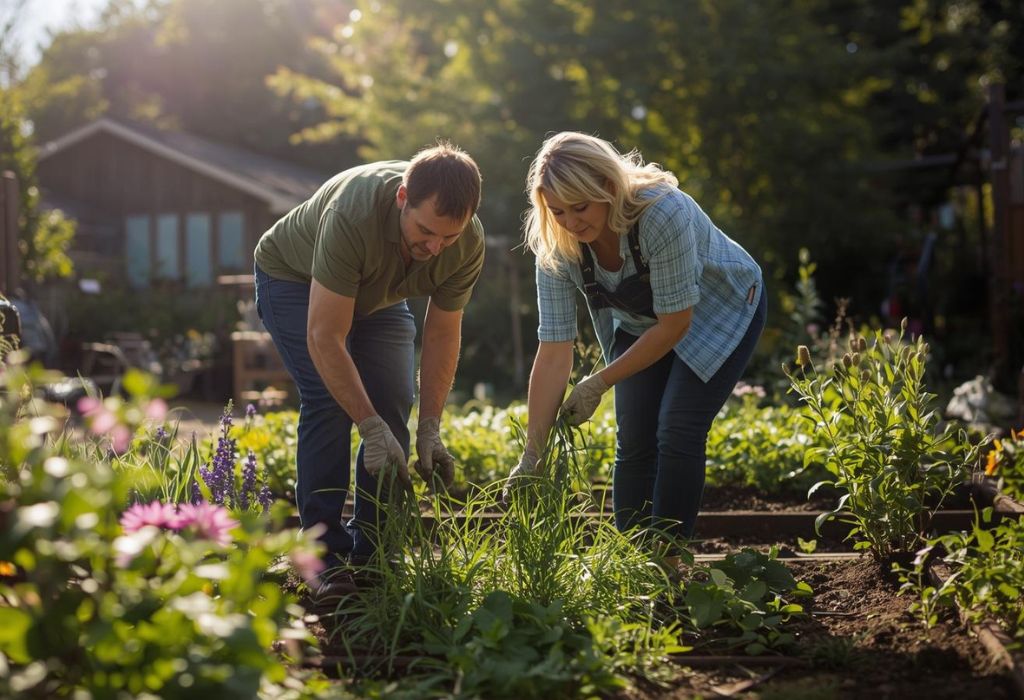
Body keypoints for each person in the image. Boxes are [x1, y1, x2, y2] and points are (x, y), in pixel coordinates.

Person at [507, 132, 765, 557]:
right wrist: (532, 453)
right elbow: (553, 349)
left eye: (580, 207)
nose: (570, 221)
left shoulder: (661, 214)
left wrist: (596, 383)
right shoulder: (556, 245)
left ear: (608, 188)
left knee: (677, 427)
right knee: (634, 437)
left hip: (720, 307)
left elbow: (675, 323)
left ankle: (667, 556)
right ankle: (630, 560)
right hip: (645, 321)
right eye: (558, 211)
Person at [253, 142, 485, 565]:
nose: (436, 247)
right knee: (328, 399)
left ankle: (376, 548)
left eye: (448, 236)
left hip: (378, 292)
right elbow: (326, 337)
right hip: (294, 278)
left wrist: (430, 426)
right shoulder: (353, 214)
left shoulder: (466, 244)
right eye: (426, 231)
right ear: (402, 199)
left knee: (392, 397)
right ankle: (323, 556)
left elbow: (442, 335)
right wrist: (369, 428)